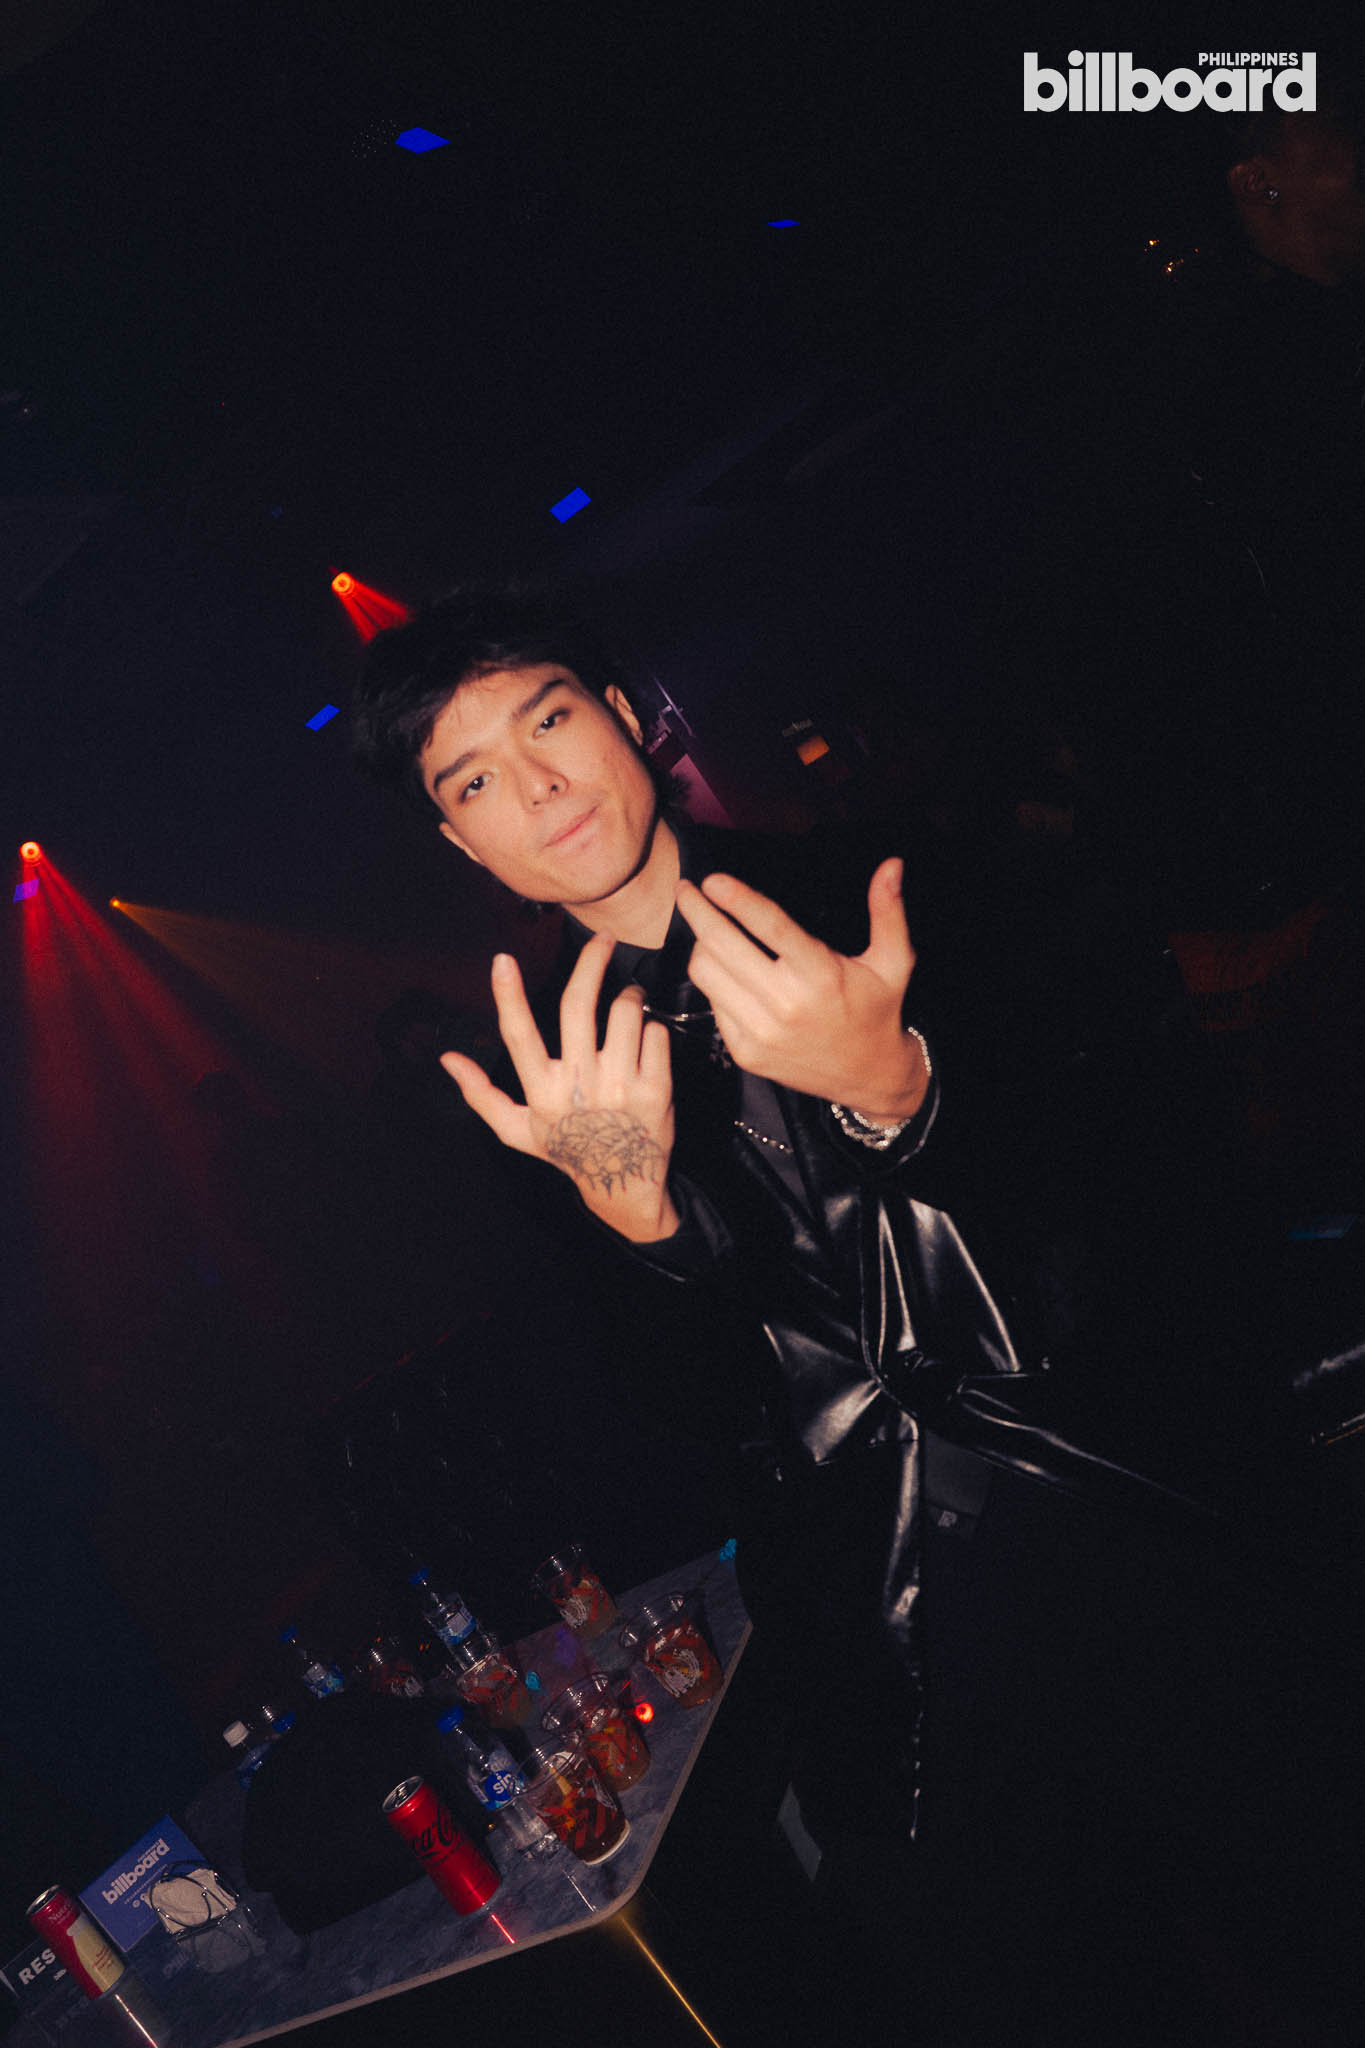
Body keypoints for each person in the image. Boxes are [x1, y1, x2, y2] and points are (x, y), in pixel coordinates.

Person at [351, 585, 1361, 2042]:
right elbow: (681, 1430)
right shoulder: (543, 1087)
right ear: (460, 840)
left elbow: (1151, 1187)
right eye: (475, 782)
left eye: (550, 721)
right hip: (883, 1631)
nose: (540, 787)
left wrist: (905, 1097)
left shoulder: (887, 889)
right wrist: (645, 1237)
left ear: (625, 715)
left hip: (1125, 1505)